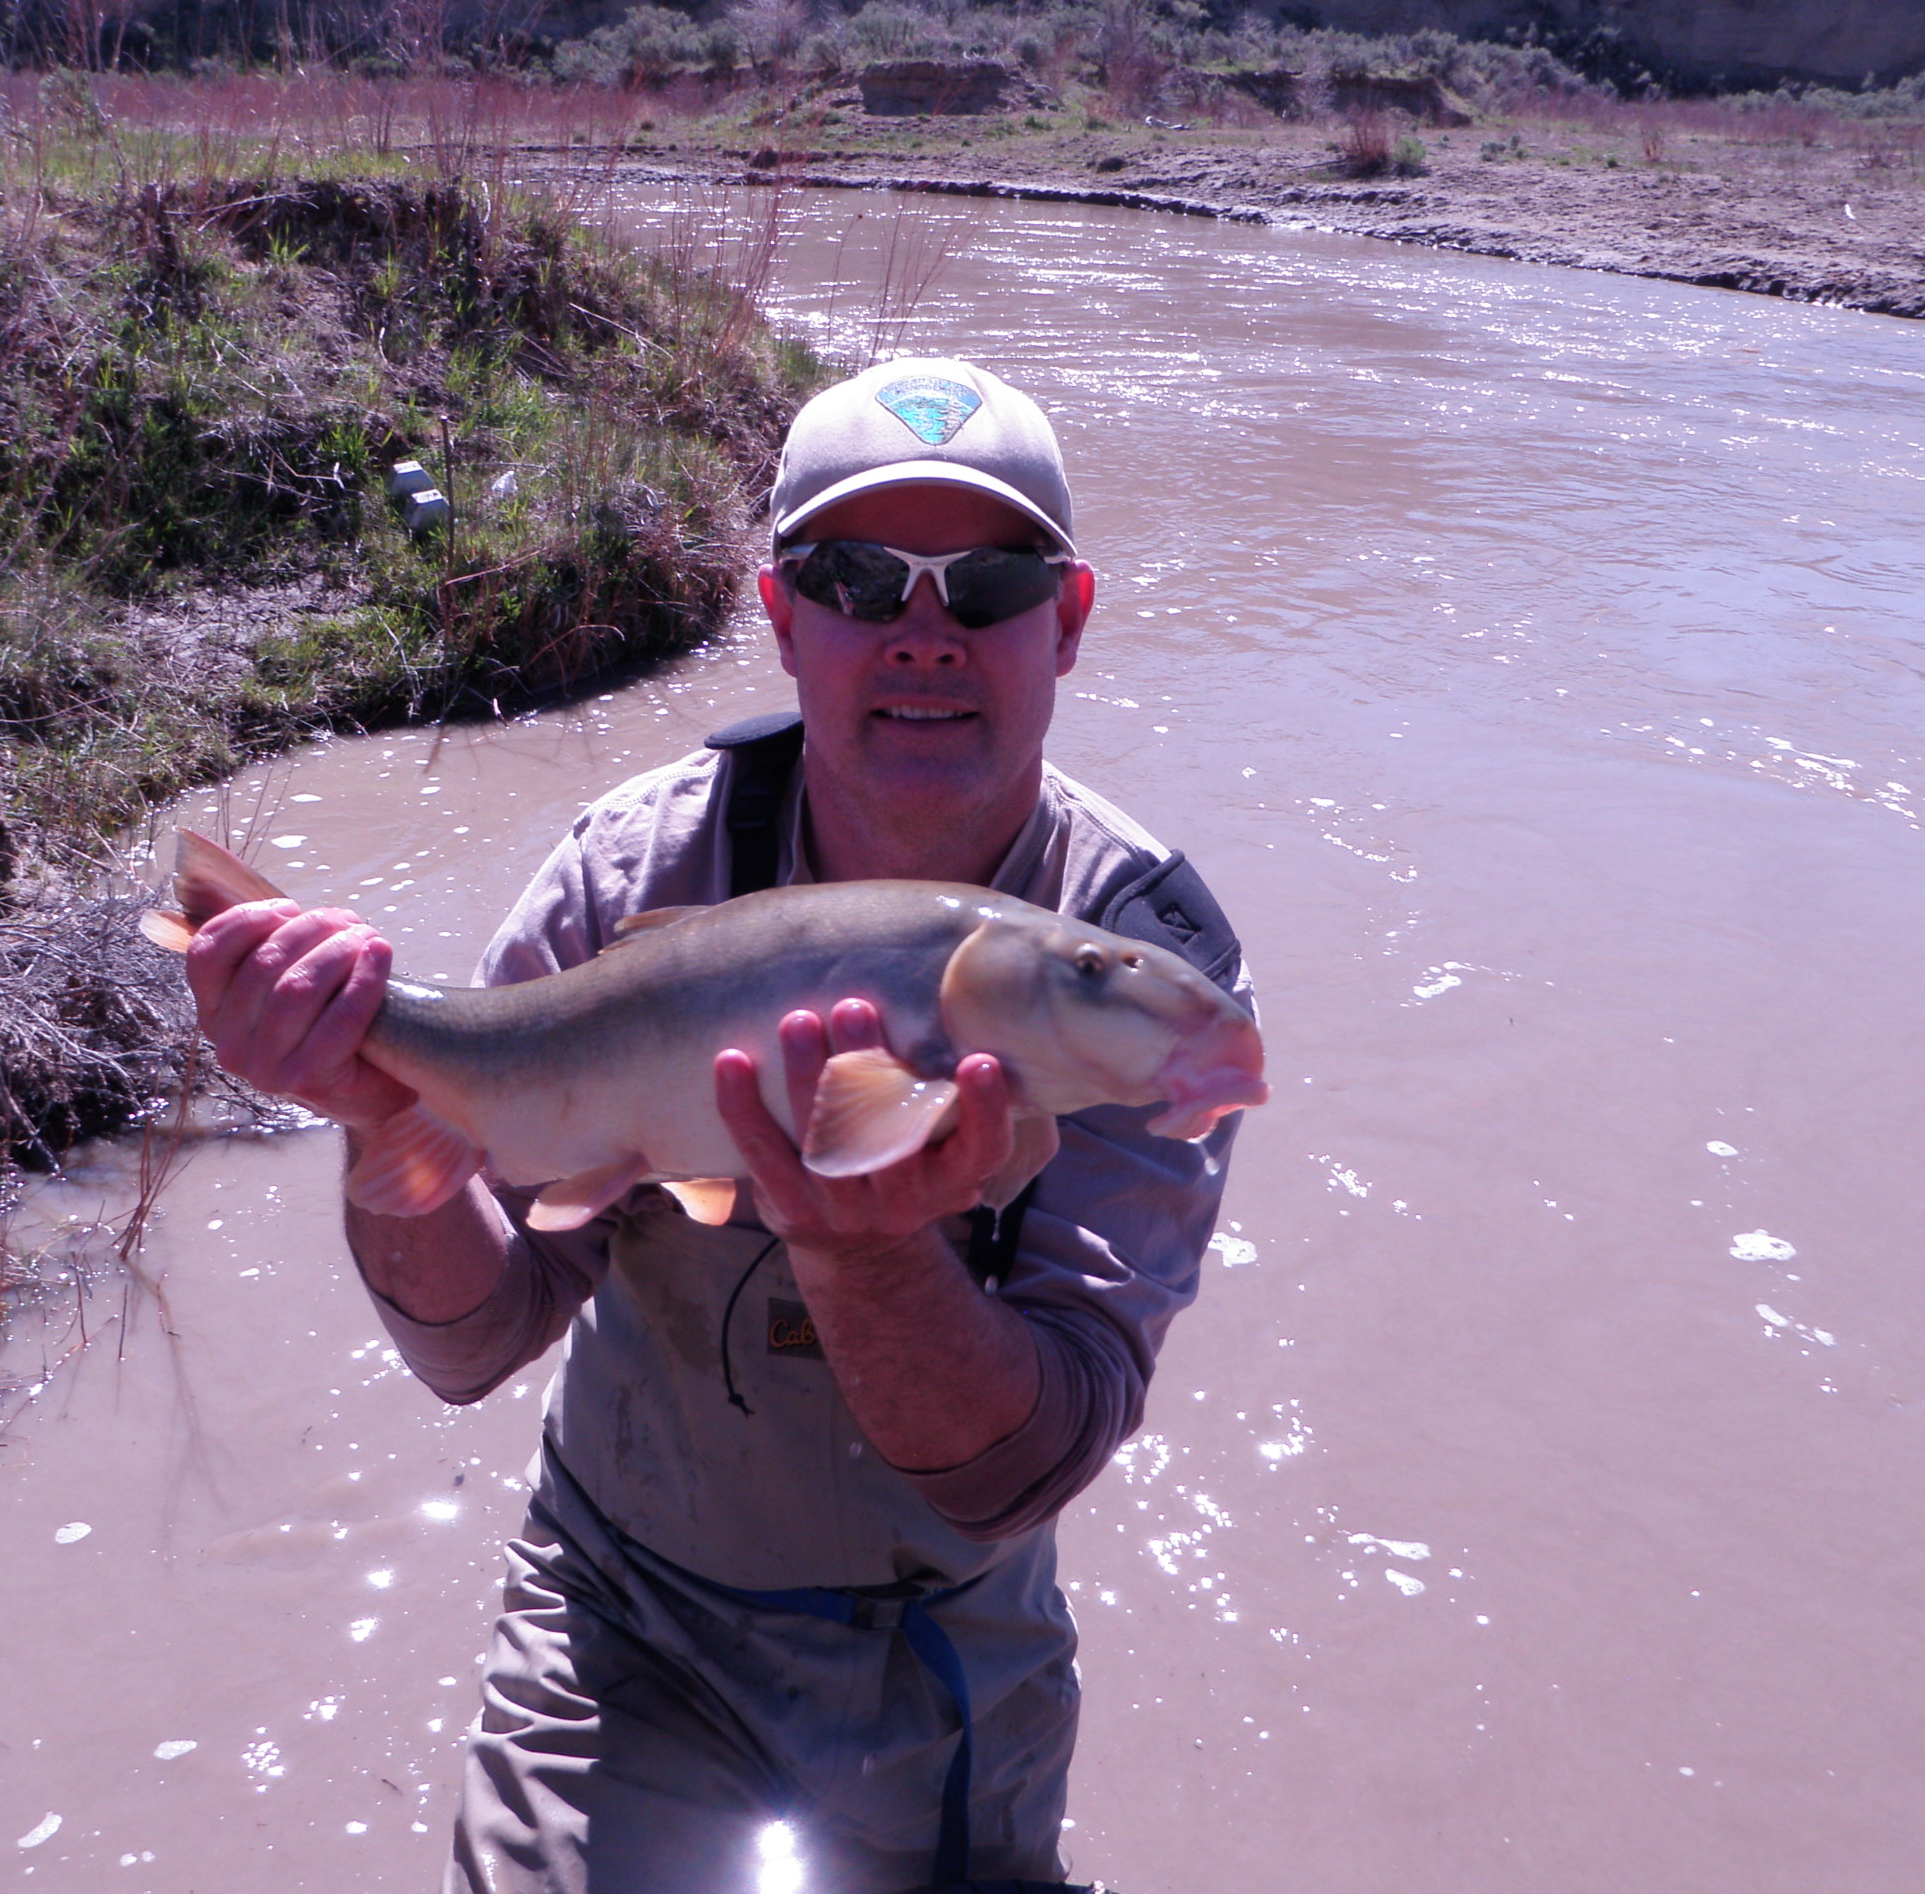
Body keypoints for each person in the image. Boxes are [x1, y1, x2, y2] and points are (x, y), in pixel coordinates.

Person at [182, 357, 1253, 1894]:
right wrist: (379, 1111)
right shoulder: (633, 871)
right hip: (620, 1617)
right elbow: (473, 1343)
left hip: (937, 1645)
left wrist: (868, 1257)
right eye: (858, 576)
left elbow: (1020, 1473)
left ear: (1067, 619)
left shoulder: (1138, 972)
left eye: (991, 579)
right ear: (780, 614)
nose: (923, 631)